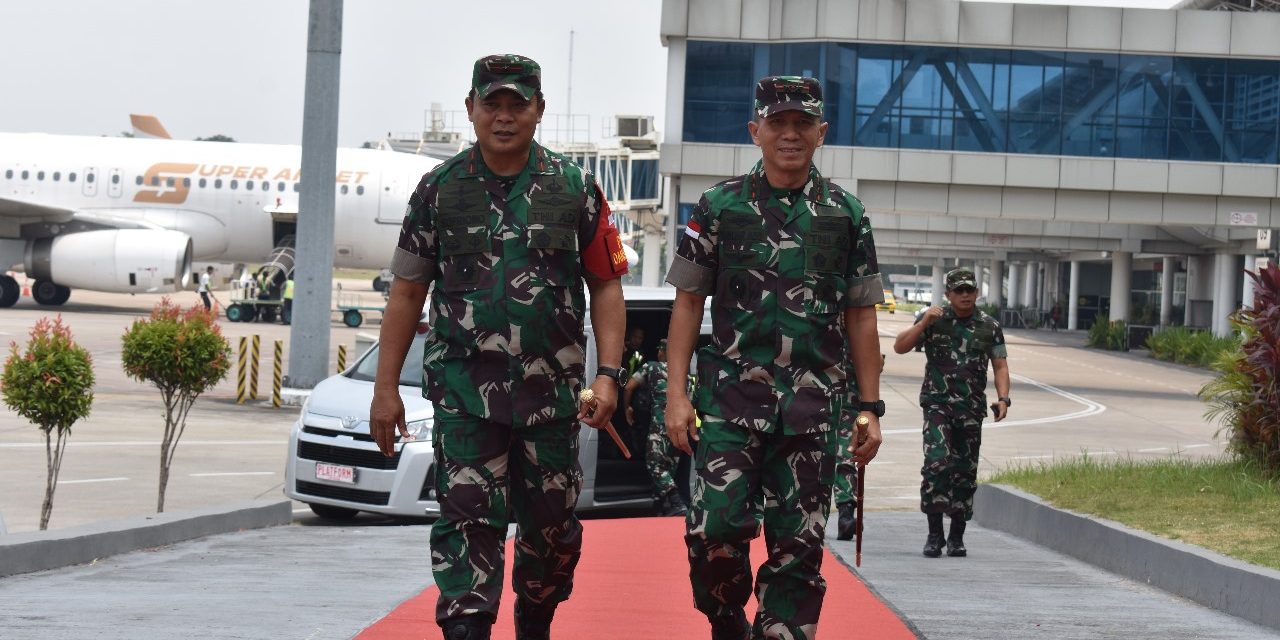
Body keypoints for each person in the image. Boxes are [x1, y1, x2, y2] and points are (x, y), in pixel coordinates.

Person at [368, 54, 628, 640]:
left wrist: (607, 375)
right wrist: (386, 390)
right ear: (471, 109)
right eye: (492, 104)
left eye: (517, 104)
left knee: (552, 534)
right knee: (466, 525)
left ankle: (535, 617)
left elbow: (607, 285)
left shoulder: (573, 188)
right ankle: (468, 626)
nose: (504, 116)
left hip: (552, 400)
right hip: (465, 396)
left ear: (539, 111)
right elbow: (406, 293)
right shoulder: (438, 190)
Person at [664, 75, 886, 640]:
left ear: (821, 132)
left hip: (813, 411)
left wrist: (870, 408)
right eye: (778, 122)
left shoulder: (846, 214)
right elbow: (688, 303)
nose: (790, 134)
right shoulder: (719, 206)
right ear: (755, 130)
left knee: (798, 548)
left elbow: (861, 316)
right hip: (729, 403)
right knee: (713, 533)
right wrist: (676, 395)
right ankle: (725, 618)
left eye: (802, 123)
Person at [893, 267, 1011, 558]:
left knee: (964, 473)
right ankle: (934, 534)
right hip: (938, 406)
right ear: (948, 294)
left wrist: (1004, 399)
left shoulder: (989, 326)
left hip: (970, 409)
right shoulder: (934, 319)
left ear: (977, 293)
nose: (965, 295)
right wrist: (923, 323)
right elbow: (900, 346)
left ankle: (957, 536)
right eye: (959, 290)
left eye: (970, 290)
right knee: (937, 464)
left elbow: (1000, 365)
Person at [623, 338, 689, 516]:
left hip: (660, 425)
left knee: (654, 465)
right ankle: (661, 506)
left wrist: (627, 409)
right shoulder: (685, 374)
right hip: (679, 428)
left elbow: (629, 387)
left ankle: (676, 502)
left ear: (662, 352)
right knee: (670, 466)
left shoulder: (651, 366)